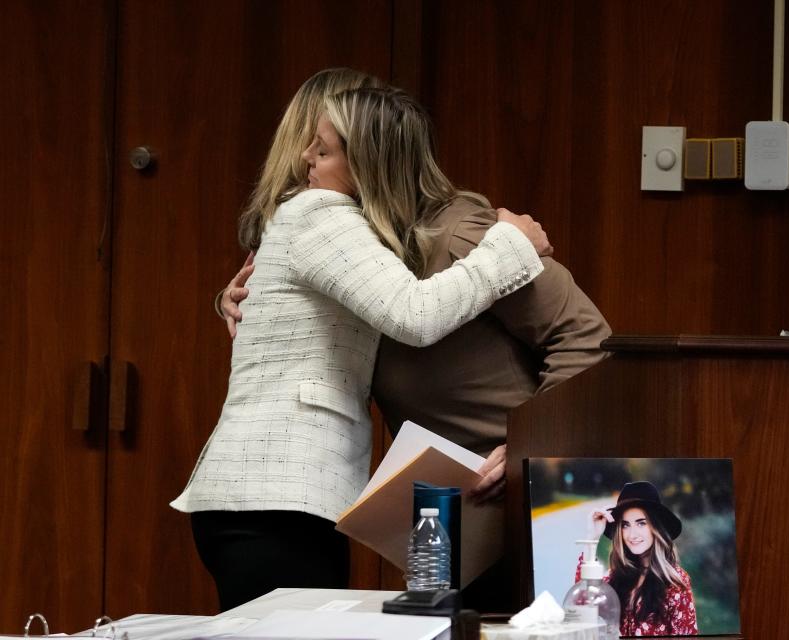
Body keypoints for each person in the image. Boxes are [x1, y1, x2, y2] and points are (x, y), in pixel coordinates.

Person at [171, 75, 552, 611]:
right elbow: (416, 315)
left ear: (368, 163)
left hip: (268, 505)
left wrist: (231, 297)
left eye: (322, 150)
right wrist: (511, 244)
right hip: (276, 502)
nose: (304, 156)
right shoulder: (321, 215)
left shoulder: (317, 222)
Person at [582, 481, 699, 636]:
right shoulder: (614, 577)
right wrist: (592, 537)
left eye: (641, 523)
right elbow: (582, 605)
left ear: (656, 527)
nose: (632, 535)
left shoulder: (675, 585)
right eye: (625, 525)